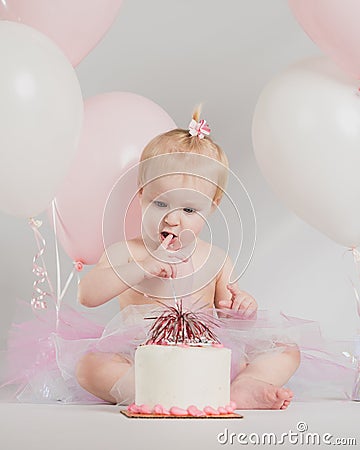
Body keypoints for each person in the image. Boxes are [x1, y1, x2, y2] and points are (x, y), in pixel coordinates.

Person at [75, 107, 300, 410]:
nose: (172, 219)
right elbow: (87, 295)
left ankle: (245, 386)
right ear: (141, 195)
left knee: (287, 350)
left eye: (189, 210)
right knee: (89, 368)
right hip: (143, 357)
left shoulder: (216, 259)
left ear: (213, 206)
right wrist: (140, 268)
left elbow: (232, 321)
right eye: (161, 203)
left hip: (206, 357)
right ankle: (153, 392)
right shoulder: (127, 252)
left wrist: (242, 310)